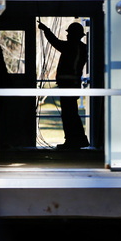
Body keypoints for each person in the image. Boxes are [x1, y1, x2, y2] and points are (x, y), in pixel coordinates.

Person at [38, 20, 90, 150]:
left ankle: (73, 140)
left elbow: (55, 42)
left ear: (74, 35)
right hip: (73, 85)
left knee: (68, 114)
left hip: (68, 86)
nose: (67, 36)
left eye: (69, 33)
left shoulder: (71, 47)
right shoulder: (82, 48)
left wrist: (46, 30)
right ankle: (78, 139)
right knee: (72, 113)